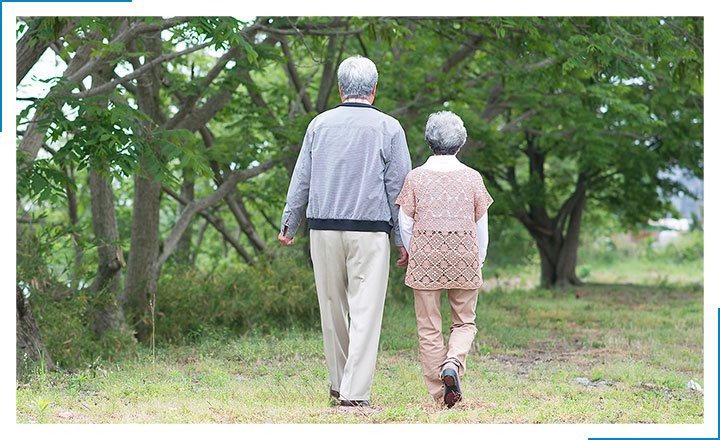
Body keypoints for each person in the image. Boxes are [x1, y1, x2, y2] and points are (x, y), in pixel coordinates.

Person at [278, 55, 412, 407]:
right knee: (366, 311)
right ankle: (354, 395)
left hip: (322, 229)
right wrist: (404, 239)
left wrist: (291, 221)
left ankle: (339, 385)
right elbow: (399, 189)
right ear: (374, 88)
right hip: (370, 232)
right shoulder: (389, 128)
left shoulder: (318, 125)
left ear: (340, 88)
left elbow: (301, 178)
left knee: (331, 307)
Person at [395, 111, 492, 408]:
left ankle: (441, 394)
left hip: (425, 259)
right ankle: (453, 363)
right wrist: (479, 259)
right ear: (461, 143)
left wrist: (415, 253)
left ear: (428, 141)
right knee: (464, 322)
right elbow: (481, 227)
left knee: (428, 326)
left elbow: (405, 223)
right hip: (464, 255)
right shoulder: (473, 178)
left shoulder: (415, 178)